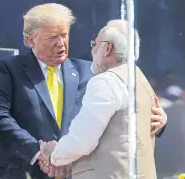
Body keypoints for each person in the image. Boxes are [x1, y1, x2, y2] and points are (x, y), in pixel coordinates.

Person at [0, 4, 167, 179]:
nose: (61, 43)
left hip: (75, 173)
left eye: (64, 35)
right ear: (30, 40)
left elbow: (125, 106)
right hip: (21, 172)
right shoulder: (7, 69)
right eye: (52, 38)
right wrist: (37, 152)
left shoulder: (91, 72)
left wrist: (160, 120)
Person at [39, 19, 167, 179]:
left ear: (107, 48)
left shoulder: (106, 81)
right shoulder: (141, 80)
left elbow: (82, 141)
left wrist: (53, 155)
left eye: (95, 44)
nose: (92, 51)